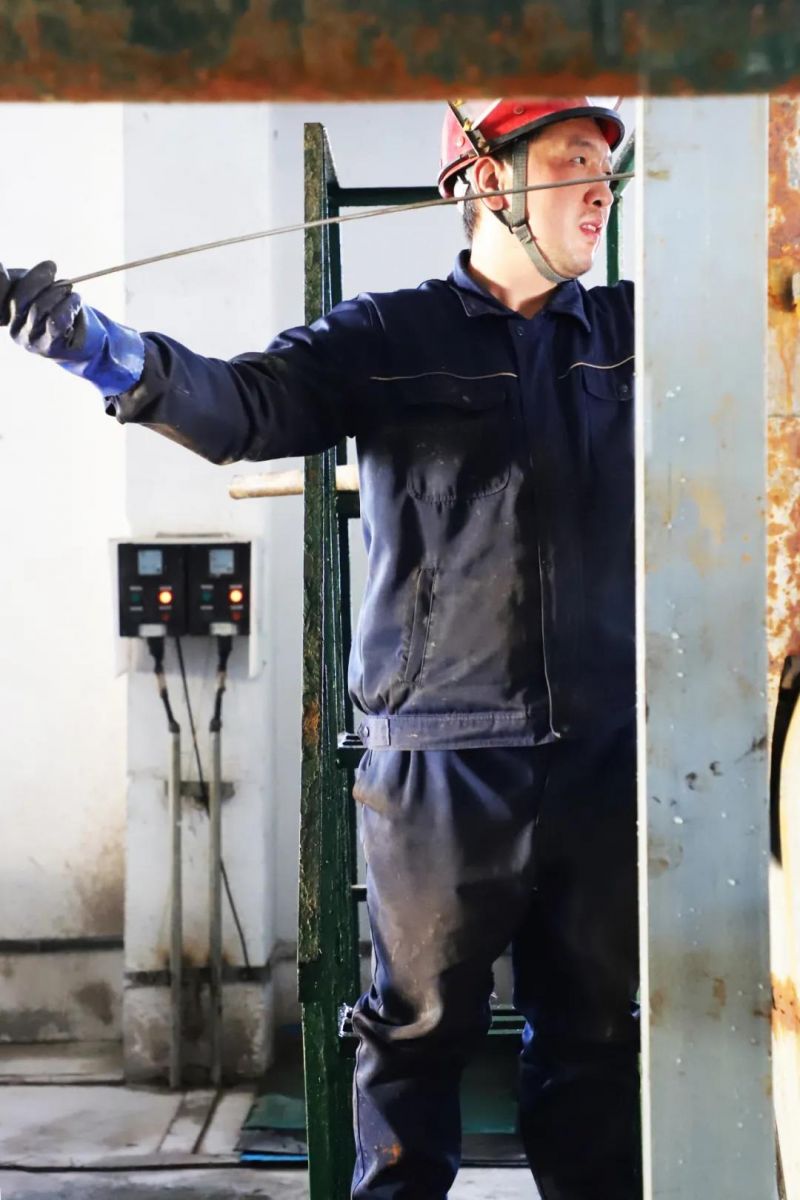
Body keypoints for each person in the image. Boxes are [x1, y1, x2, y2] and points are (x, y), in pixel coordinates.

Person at [0, 97, 639, 1200]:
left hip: (603, 751)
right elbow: (243, 404)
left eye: (606, 166)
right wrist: (101, 352)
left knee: (593, 1041)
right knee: (415, 1039)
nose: (600, 187)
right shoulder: (389, 337)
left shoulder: (636, 333)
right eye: (573, 158)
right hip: (440, 760)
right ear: (488, 180)